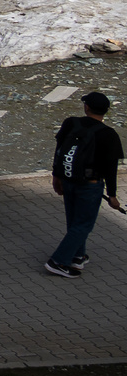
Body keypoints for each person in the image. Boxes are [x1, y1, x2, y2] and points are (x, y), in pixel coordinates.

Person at [46, 92, 124, 277]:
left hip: (68, 179)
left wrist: (56, 175)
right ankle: (58, 261)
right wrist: (112, 195)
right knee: (83, 225)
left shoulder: (71, 123)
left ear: (86, 107)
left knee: (74, 221)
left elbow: (60, 150)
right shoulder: (108, 134)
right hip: (90, 185)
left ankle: (77, 256)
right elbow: (110, 168)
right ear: (106, 111)